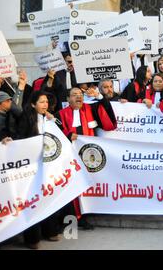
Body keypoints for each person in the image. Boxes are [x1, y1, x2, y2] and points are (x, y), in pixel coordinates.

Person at [55, 87, 117, 229]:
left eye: (80, 94)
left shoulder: (91, 109)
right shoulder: (60, 114)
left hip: (89, 156)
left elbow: (109, 122)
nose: (79, 97)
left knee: (86, 186)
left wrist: (100, 96)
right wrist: (67, 134)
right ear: (68, 99)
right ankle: (73, 219)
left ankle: (84, 216)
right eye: (74, 94)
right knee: (72, 188)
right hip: (69, 158)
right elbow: (55, 133)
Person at [16, 91, 59, 249]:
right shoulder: (26, 118)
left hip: (47, 166)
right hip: (31, 166)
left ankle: (50, 231)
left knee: (47, 197)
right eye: (41, 102)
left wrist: (52, 120)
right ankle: (32, 238)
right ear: (33, 104)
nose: (45, 105)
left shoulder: (49, 118)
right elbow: (20, 139)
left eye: (46, 102)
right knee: (32, 200)